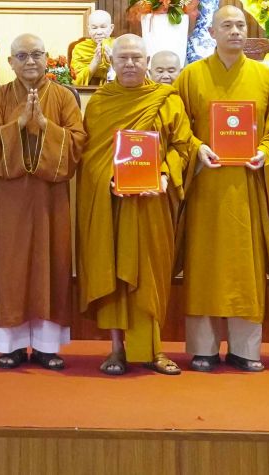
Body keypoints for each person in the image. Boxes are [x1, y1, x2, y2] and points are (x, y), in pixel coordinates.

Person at [79, 34, 205, 375]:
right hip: (113, 203)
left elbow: (182, 146)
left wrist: (164, 175)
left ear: (147, 62)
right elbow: (90, 155)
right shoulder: (101, 102)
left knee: (151, 275)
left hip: (153, 203)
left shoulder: (166, 99)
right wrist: (107, 178)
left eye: (137, 58)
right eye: (123, 58)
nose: (131, 64)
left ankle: (154, 350)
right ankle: (116, 349)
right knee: (115, 273)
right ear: (113, 62)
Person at [172, 5, 269, 372]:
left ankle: (245, 349)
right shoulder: (191, 76)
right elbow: (177, 127)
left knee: (245, 267)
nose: (235, 31)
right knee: (204, 265)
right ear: (212, 33)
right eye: (227, 25)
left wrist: (265, 151)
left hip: (247, 185)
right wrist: (196, 148)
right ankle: (202, 348)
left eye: (240, 25)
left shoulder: (265, 77)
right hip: (206, 186)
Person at [0, 33, 85, 370]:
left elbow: (78, 142)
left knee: (49, 264)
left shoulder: (64, 97)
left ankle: (45, 345)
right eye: (22, 56)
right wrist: (20, 124)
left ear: (47, 58)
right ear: (10, 62)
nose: (30, 62)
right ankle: (9, 345)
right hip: (10, 198)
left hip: (49, 198)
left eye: (37, 54)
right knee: (10, 267)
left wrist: (44, 125)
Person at [70, 9, 116, 86]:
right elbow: (75, 80)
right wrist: (95, 63)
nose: (99, 32)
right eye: (94, 28)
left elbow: (129, 75)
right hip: (88, 91)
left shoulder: (119, 46)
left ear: (111, 28)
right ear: (89, 29)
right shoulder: (80, 49)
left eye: (103, 27)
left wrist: (112, 62)